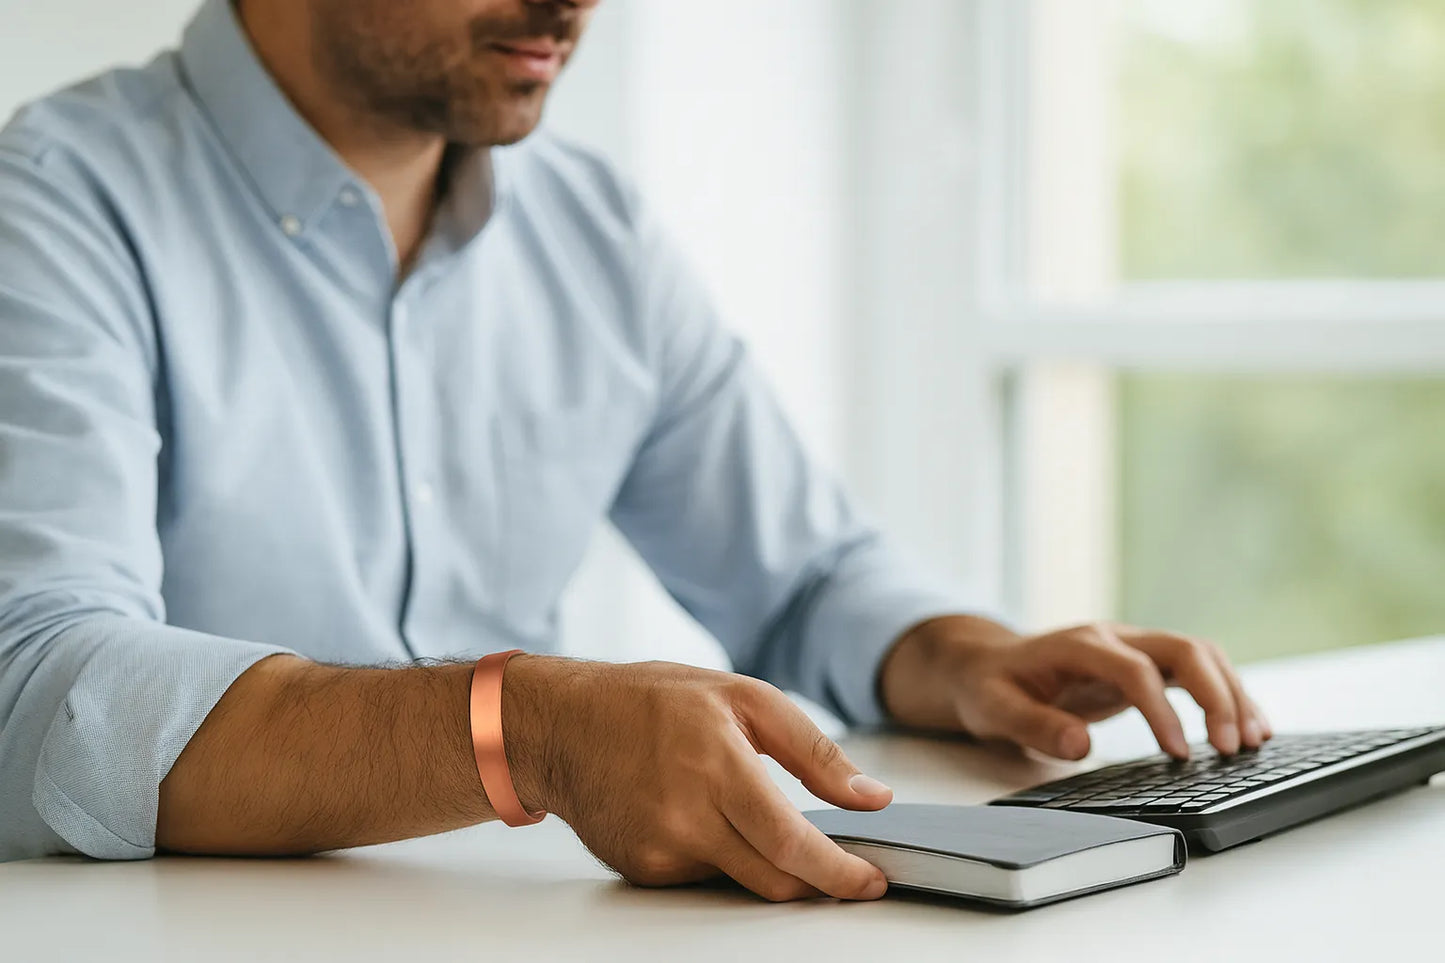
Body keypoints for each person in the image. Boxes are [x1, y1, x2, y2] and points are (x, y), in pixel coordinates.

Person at [0, 0, 1271, 900]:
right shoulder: (51, 204)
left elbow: (803, 578)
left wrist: (958, 655)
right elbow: (41, 694)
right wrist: (525, 729)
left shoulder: (591, 230)